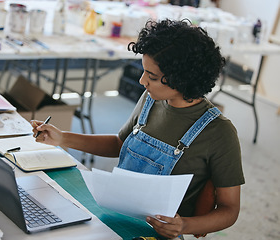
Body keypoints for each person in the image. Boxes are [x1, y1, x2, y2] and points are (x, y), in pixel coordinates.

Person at [31, 19, 245, 239]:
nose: (143, 81)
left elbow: (229, 210)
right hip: (113, 216)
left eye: (151, 76)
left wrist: (184, 226)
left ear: (182, 80)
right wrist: (62, 138)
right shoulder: (151, 99)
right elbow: (118, 144)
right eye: (144, 72)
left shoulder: (219, 133)